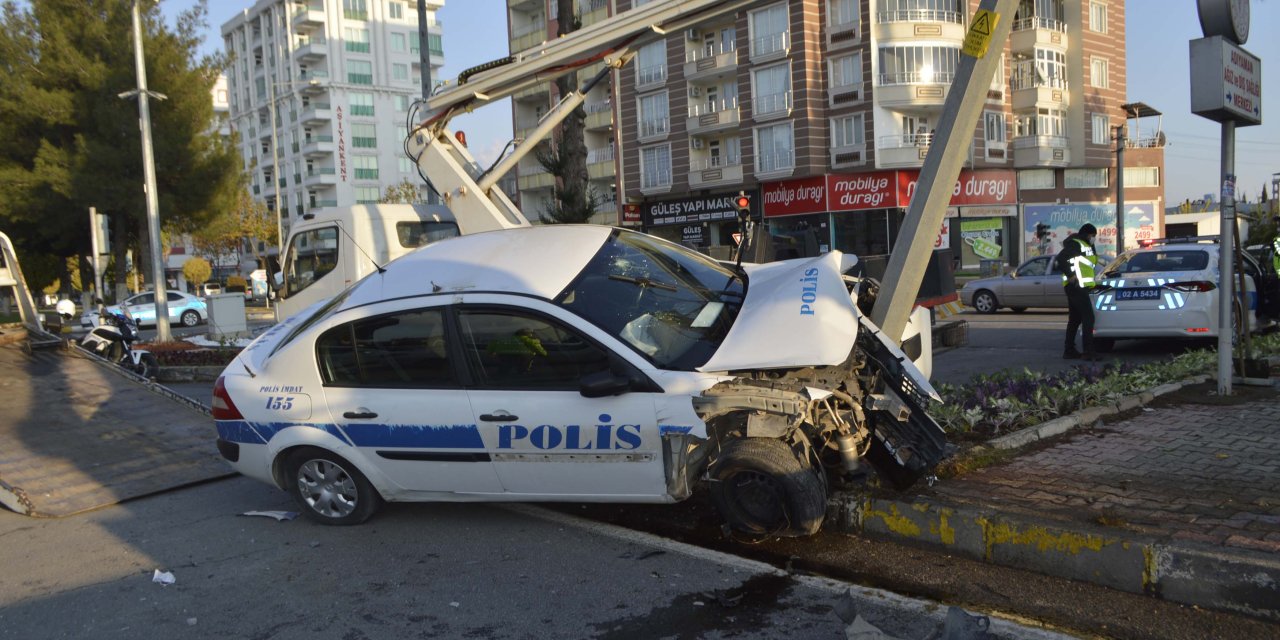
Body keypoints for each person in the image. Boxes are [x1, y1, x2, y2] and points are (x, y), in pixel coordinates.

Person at [1055, 223, 1100, 359]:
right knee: (1088, 318)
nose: (1094, 238)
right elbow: (1061, 259)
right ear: (1087, 234)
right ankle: (1088, 352)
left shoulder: (1086, 245)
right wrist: (1070, 275)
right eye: (1093, 236)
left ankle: (1069, 350)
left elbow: (1088, 263)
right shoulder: (1076, 244)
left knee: (1075, 319)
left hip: (1079, 286)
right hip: (1076, 285)